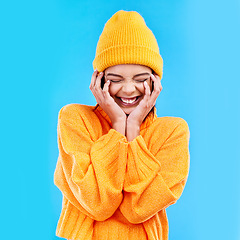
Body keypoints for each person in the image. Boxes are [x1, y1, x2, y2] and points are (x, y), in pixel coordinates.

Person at [54, 10, 190, 240]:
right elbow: (97, 203)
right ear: (100, 80)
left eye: (140, 79)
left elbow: (137, 209)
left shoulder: (172, 132)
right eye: (116, 80)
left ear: (156, 81)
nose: (128, 90)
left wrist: (133, 129)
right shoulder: (75, 119)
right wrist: (118, 126)